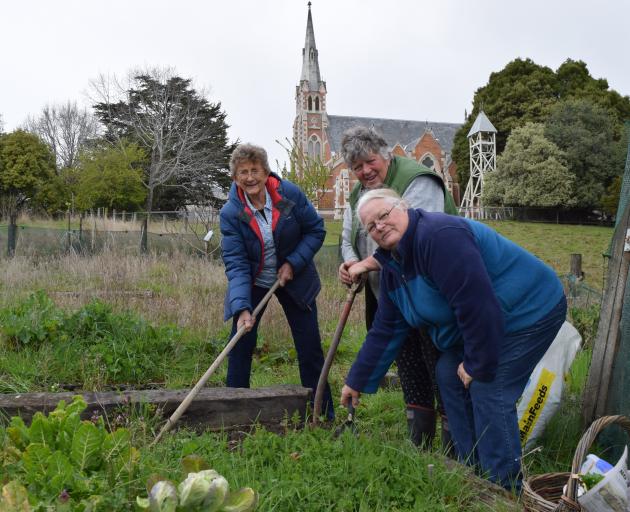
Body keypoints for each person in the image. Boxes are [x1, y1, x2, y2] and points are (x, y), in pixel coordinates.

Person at [340, 188, 566, 490]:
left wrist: (475, 363)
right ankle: (470, 470)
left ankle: (503, 489)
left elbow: (476, 304)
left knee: (488, 384)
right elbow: (386, 329)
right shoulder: (395, 266)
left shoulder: (439, 237)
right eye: (371, 226)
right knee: (447, 372)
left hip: (529, 309)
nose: (379, 226)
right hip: (489, 319)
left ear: (403, 207)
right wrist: (357, 380)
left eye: (384, 215)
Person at [337, 126, 457, 448]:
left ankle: (455, 443)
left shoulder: (418, 181)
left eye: (370, 161)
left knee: (439, 367)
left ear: (385, 154)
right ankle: (419, 439)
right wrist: (351, 263)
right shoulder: (357, 193)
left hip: (428, 291)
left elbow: (412, 239)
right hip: (389, 292)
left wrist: (366, 263)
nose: (365, 171)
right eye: (357, 167)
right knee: (407, 363)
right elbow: (349, 236)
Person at [220, 143, 334, 420]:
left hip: (294, 278)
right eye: (243, 172)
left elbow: (316, 230)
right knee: (240, 343)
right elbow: (236, 264)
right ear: (235, 178)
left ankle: (321, 412)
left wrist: (293, 262)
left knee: (309, 347)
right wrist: (242, 308)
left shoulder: (288, 195)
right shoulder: (231, 214)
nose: (250, 177)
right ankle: (236, 412)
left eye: (255, 170)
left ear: (265, 171)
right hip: (253, 280)